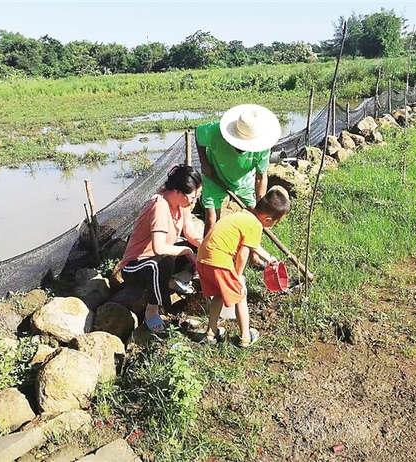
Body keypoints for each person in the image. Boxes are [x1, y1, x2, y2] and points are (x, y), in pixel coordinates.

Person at [195, 186, 291, 347]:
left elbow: (252, 244)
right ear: (268, 219)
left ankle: (211, 333)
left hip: (203, 259)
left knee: (219, 294)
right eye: (277, 221)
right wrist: (238, 276)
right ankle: (245, 337)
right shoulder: (255, 225)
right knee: (241, 294)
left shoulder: (243, 216)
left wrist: (268, 258)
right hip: (219, 261)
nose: (276, 224)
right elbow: (243, 253)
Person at [113, 164, 203, 334]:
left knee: (193, 247)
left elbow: (190, 233)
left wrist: (207, 247)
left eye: (197, 195)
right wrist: (188, 252)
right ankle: (152, 310)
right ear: (177, 192)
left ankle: (171, 281)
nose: (194, 200)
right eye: (193, 196)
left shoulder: (181, 205)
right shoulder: (160, 206)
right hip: (137, 265)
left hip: (159, 257)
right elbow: (159, 247)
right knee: (161, 262)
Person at [195, 103, 281, 234]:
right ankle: (206, 253)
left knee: (256, 222)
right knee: (212, 222)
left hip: (243, 183)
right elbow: (198, 134)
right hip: (214, 177)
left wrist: (260, 201)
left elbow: (260, 177)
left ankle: (253, 254)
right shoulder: (215, 131)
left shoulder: (262, 147)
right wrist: (204, 163)